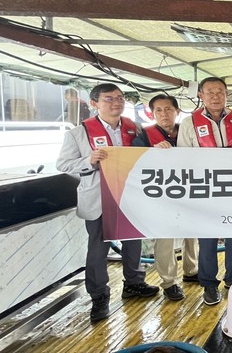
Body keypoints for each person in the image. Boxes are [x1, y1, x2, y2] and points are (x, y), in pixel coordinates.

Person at [56, 83, 159, 322]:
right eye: (109, 98)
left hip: (129, 195)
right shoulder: (78, 133)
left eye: (120, 98)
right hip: (98, 197)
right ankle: (99, 295)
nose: (116, 102)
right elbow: (63, 164)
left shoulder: (135, 128)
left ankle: (134, 283)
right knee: (98, 249)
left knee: (133, 242)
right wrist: (88, 160)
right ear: (94, 103)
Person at [178, 77, 232, 306]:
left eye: (220, 92)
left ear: (226, 94)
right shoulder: (189, 123)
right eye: (210, 92)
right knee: (207, 239)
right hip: (205, 188)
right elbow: (183, 157)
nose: (215, 96)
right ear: (201, 95)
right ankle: (208, 284)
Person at [131, 95, 198, 301]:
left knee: (193, 231)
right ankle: (169, 282)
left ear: (177, 111)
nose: (164, 114)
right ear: (152, 114)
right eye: (158, 110)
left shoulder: (188, 130)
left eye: (168, 109)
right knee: (165, 238)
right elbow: (135, 162)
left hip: (190, 190)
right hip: (162, 196)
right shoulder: (144, 136)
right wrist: (153, 152)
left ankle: (191, 270)